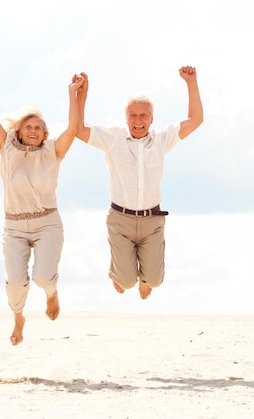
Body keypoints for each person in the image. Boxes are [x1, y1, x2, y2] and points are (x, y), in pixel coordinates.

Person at [76, 66, 204, 300]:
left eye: (143, 115)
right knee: (125, 280)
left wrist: (191, 83)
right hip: (120, 220)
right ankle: (119, 273)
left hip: (152, 221)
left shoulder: (161, 140)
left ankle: (146, 278)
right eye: (133, 115)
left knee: (154, 279)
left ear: (151, 118)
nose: (138, 120)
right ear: (126, 119)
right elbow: (78, 130)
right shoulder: (113, 138)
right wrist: (81, 95)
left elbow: (196, 120)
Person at [0, 65, 84, 345]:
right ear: (20, 130)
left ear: (45, 132)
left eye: (39, 127)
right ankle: (18, 318)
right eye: (29, 126)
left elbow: (74, 128)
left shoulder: (53, 152)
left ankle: (52, 294)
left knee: (43, 278)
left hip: (47, 222)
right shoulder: (6, 148)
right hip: (13, 225)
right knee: (15, 282)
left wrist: (72, 94)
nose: (34, 130)